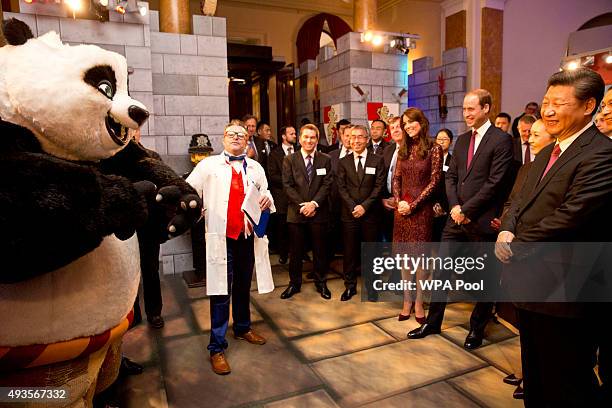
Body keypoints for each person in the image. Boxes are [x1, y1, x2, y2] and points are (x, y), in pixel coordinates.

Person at [496, 68, 611, 406]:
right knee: (536, 374)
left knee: (567, 379)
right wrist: (506, 227)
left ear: (588, 105)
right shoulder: (548, 151)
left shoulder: (601, 153)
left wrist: (516, 245)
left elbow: (571, 217)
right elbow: (520, 199)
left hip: (566, 290)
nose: (547, 111)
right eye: (546, 102)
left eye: (558, 103)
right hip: (531, 284)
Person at [408, 89, 514, 349]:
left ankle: (477, 329)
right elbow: (451, 176)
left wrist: (467, 210)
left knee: (487, 279)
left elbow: (495, 183)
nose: (466, 114)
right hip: (455, 220)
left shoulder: (501, 140)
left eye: (471, 109)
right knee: (441, 271)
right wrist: (455, 206)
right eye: (464, 109)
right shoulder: (463, 140)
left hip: (482, 221)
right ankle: (432, 323)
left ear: (486, 108)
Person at [186, 123, 275, 375]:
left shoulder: (255, 167)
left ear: (248, 140)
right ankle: (216, 346)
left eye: (242, 135)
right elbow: (188, 192)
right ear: (223, 138)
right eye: (232, 134)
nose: (237, 138)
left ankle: (243, 327)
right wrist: (196, 206)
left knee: (243, 285)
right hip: (221, 237)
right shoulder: (208, 166)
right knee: (220, 290)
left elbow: (265, 192)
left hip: (246, 236)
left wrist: (268, 198)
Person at [392, 108, 443, 321]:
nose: (407, 126)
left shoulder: (434, 148)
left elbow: (435, 181)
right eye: (404, 124)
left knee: (421, 261)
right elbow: (396, 178)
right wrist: (398, 202)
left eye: (410, 122)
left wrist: (413, 205)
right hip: (402, 210)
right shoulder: (403, 149)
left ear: (421, 122)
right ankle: (407, 300)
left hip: (421, 211)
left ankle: (420, 301)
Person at [281, 124, 333, 300]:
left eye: (312, 137)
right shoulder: (290, 159)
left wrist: (314, 204)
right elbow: (287, 185)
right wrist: (303, 205)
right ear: (300, 139)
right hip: (297, 212)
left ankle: (321, 282)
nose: (309, 140)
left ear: (317, 140)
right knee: (295, 252)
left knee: (320, 251)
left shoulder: (325, 159)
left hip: (319, 212)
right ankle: (294, 284)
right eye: (306, 137)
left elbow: (327, 184)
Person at [336, 125, 385, 301]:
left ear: (367, 139)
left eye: (360, 137)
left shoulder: (377, 160)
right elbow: (341, 188)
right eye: (353, 137)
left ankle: (372, 287)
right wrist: (353, 206)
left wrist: (364, 206)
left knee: (372, 252)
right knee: (349, 252)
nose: (356, 140)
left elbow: (379, 187)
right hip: (349, 215)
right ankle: (349, 287)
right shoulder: (343, 162)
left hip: (371, 215)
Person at [183, 133, 213, 288]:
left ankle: (210, 271)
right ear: (192, 156)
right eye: (198, 154)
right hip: (196, 217)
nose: (201, 158)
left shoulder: (215, 176)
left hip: (213, 216)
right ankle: (199, 271)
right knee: (197, 242)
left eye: (205, 154)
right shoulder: (187, 178)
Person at [268, 125, 297, 264]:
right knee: (283, 227)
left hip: (299, 196)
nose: (295, 136)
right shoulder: (275, 153)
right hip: (282, 197)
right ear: (284, 136)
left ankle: (300, 253)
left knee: (298, 227)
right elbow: (272, 175)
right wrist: (289, 182)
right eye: (291, 133)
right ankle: (283, 254)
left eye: (295, 133)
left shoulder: (299, 151)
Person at [380, 117, 403, 242]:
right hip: (387, 203)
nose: (395, 130)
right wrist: (383, 198)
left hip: (405, 203)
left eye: (398, 126)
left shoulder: (413, 150)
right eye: (392, 127)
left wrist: (399, 199)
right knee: (389, 241)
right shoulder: (387, 150)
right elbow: (382, 176)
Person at [432, 128, 453, 242]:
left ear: (451, 141)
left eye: (445, 139)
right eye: (439, 139)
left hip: (445, 207)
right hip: (429, 205)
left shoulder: (453, 162)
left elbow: (451, 186)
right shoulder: (429, 159)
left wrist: (442, 205)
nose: (441, 142)